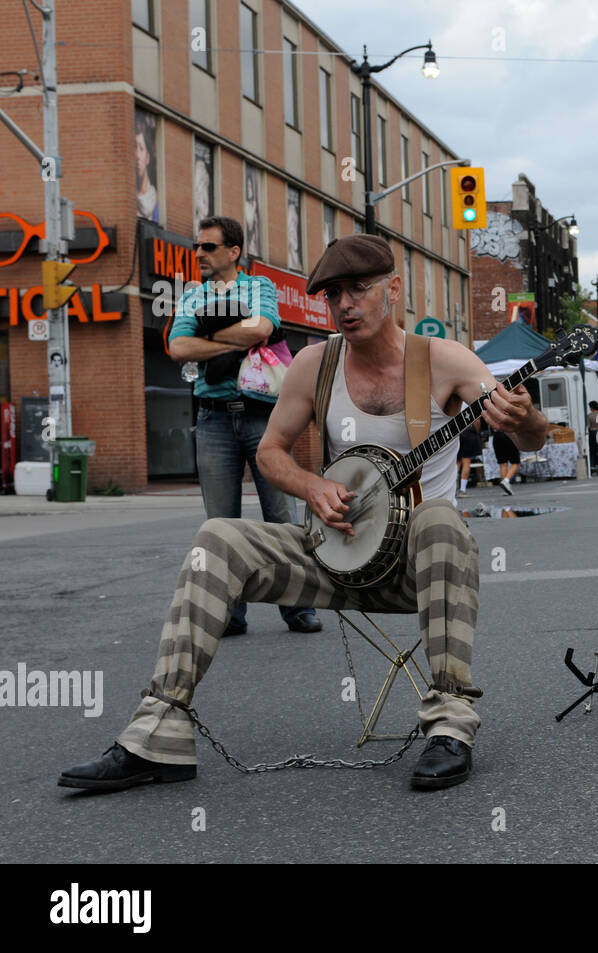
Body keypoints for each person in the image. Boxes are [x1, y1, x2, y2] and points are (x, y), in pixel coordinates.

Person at [58, 234, 548, 793]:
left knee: (438, 519)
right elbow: (269, 451)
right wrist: (312, 486)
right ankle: (158, 734)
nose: (344, 304)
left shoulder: (445, 361)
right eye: (332, 293)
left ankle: (450, 726)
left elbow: (531, 439)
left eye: (359, 289)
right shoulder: (314, 364)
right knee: (217, 535)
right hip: (335, 555)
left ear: (393, 288)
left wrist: (525, 416)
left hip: (418, 569)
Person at [167, 215, 320, 637]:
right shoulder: (191, 295)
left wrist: (211, 337)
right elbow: (178, 347)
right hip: (212, 420)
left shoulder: (259, 287)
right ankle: (231, 614)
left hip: (261, 416)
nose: (199, 253)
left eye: (209, 247)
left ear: (233, 251)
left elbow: (264, 327)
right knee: (221, 525)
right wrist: (236, 338)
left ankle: (298, 608)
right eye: (197, 247)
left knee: (280, 517)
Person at [492, 421, 521, 494]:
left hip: (496, 435)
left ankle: (506, 487)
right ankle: (506, 481)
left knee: (503, 463)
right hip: (509, 434)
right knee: (515, 462)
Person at [457, 418, 483, 495]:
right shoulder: (469, 405)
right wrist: (477, 432)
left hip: (457, 434)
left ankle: (452, 487)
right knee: (466, 462)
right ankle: (462, 490)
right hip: (468, 434)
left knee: (458, 462)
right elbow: (477, 421)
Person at [586, 400, 598, 475]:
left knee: (592, 451)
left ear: (591, 407)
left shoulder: (589, 415)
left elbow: (588, 426)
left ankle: (593, 466)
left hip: (593, 433)